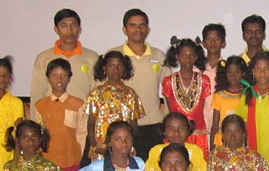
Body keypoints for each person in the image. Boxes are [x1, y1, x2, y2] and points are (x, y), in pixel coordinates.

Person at [107, 9, 167, 160]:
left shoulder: (158, 55)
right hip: (122, 127)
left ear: (148, 28)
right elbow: (103, 90)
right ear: (124, 29)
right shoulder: (114, 55)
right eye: (133, 25)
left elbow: (168, 89)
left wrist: (166, 116)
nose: (138, 29)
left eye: (142, 25)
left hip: (153, 124)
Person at [30, 9, 98, 119]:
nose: (69, 30)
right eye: (64, 26)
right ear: (56, 29)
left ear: (79, 29)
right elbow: (37, 94)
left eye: (73, 25)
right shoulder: (43, 58)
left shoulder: (92, 58)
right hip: (50, 119)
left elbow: (96, 96)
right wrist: (35, 124)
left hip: (81, 121)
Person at [34, 58, 87, 171]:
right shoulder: (40, 105)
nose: (59, 79)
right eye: (54, 75)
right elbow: (39, 134)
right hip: (47, 160)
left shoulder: (78, 104)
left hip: (70, 160)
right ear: (48, 78)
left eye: (63, 75)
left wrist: (77, 157)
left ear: (69, 78)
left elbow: (82, 133)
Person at [85, 51, 145, 161]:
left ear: (124, 68)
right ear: (104, 68)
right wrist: (95, 146)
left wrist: (127, 144)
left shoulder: (130, 94)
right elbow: (91, 124)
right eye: (111, 66)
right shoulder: (95, 93)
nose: (115, 70)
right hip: (101, 150)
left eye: (119, 66)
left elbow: (134, 126)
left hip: (124, 149)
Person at [161, 38, 212, 157]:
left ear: (196, 57)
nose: (188, 59)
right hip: (176, 134)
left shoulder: (204, 80)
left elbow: (204, 108)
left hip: (198, 133)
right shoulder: (168, 82)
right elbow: (171, 111)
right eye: (184, 55)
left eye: (191, 55)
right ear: (177, 56)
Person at [142, 112, 209, 171]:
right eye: (171, 129)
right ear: (164, 132)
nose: (176, 133)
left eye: (181, 128)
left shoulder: (195, 150)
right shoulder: (156, 151)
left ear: (188, 131)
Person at [209, 55, 245, 147]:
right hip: (222, 142)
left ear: (243, 73)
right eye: (230, 72)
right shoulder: (219, 95)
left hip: (241, 142)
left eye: (236, 72)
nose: (233, 76)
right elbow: (215, 126)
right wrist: (212, 149)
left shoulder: (247, 95)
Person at [201, 23, 227, 134]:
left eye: (217, 39)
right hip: (199, 127)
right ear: (203, 43)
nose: (212, 43)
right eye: (208, 39)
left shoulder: (228, 69)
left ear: (223, 43)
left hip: (221, 126)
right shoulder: (196, 69)